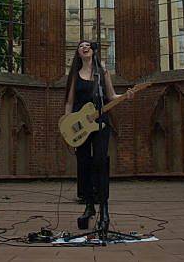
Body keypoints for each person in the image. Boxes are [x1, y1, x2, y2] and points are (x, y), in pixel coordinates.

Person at [64, 40, 131, 231]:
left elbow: (111, 96)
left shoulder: (102, 73)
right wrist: (68, 128)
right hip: (80, 127)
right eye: (81, 46)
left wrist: (126, 96)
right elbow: (69, 103)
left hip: (101, 124)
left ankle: (104, 207)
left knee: (101, 162)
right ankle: (88, 206)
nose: (84, 47)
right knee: (84, 163)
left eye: (87, 45)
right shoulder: (75, 76)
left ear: (93, 51)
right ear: (78, 53)